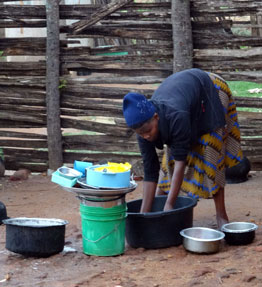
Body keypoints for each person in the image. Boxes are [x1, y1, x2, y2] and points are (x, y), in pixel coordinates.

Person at [122, 68, 243, 229]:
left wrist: (170, 207)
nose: (146, 136)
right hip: (186, 99)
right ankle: (158, 203)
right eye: (140, 134)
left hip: (210, 89)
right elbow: (150, 170)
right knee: (170, 156)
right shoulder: (142, 128)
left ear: (156, 117)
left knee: (211, 149)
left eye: (148, 131)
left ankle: (221, 215)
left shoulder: (175, 115)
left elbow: (181, 162)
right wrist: (144, 215)